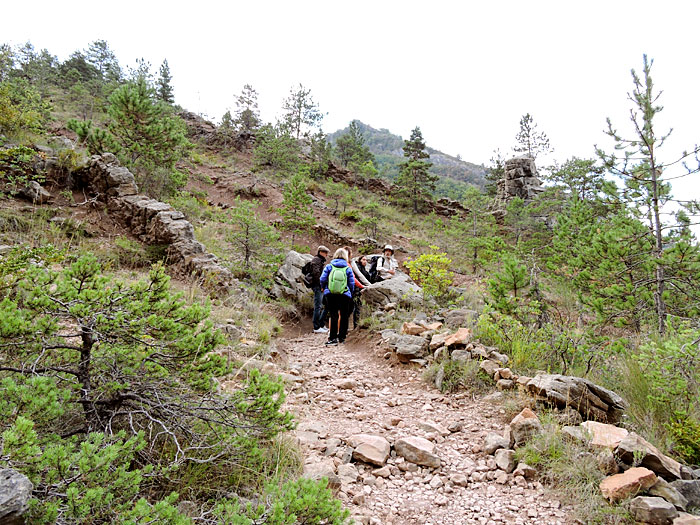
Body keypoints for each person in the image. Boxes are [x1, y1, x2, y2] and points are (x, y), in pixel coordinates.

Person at [319, 248, 355, 345]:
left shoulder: (329, 266)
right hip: (344, 295)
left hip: (331, 294)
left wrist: (324, 288)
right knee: (344, 316)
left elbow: (322, 279)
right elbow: (351, 283)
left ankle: (332, 338)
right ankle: (342, 338)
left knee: (333, 315)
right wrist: (350, 293)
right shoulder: (347, 268)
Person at [310, 245, 330, 334]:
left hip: (319, 286)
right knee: (318, 306)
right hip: (318, 286)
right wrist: (321, 285)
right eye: (325, 253)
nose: (326, 255)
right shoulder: (317, 261)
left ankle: (320, 325)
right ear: (321, 252)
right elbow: (316, 274)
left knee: (322, 305)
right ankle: (316, 327)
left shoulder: (318, 260)